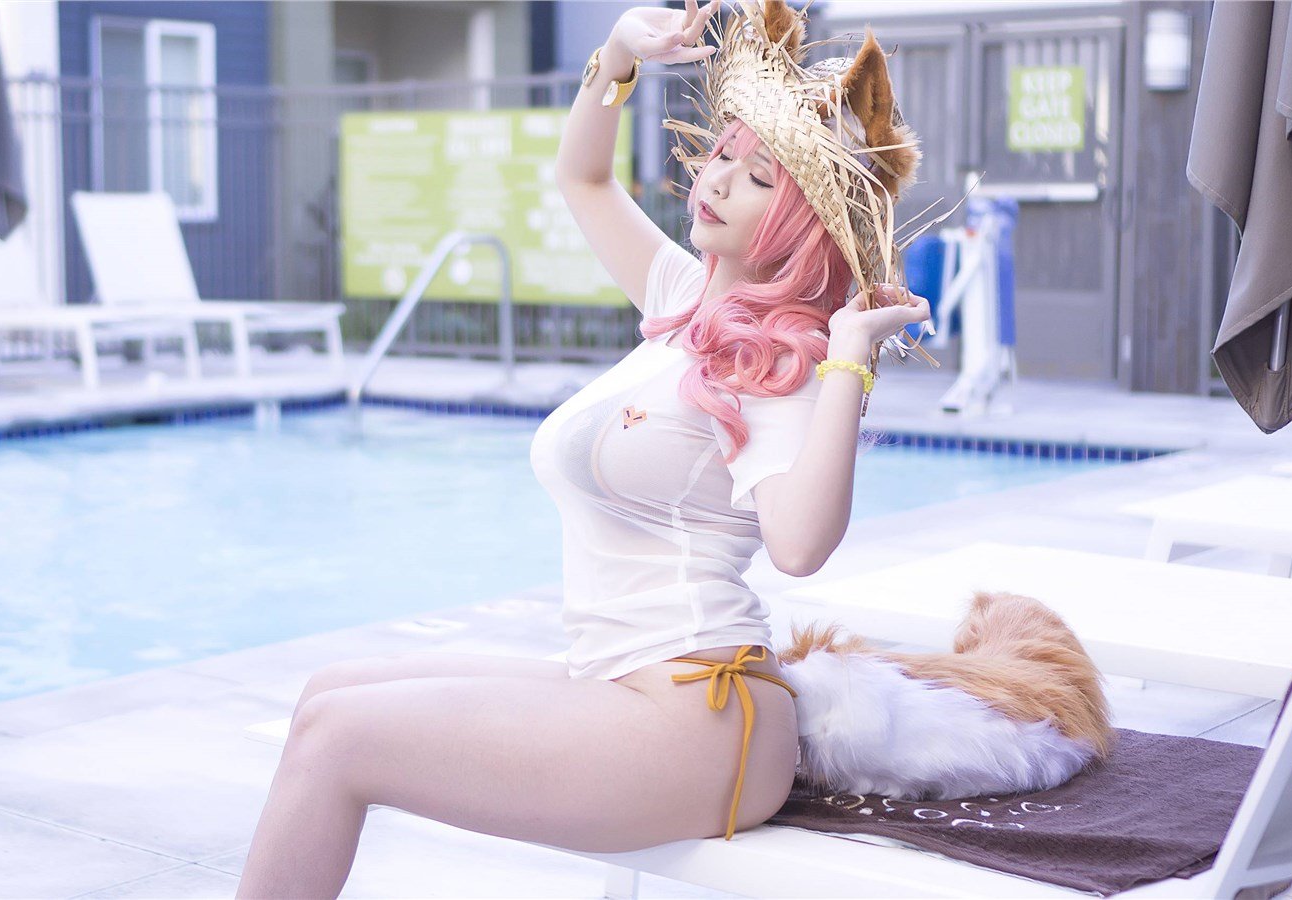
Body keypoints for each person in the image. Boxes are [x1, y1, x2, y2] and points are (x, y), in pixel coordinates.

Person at [235, 1, 930, 895]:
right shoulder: (683, 301)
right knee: (327, 693)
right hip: (619, 682)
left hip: (701, 717)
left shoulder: (779, 361)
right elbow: (585, 179)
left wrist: (847, 357)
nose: (719, 180)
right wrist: (616, 57)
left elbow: (797, 547)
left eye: (759, 177)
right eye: (723, 154)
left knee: (339, 738)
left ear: (798, 225)